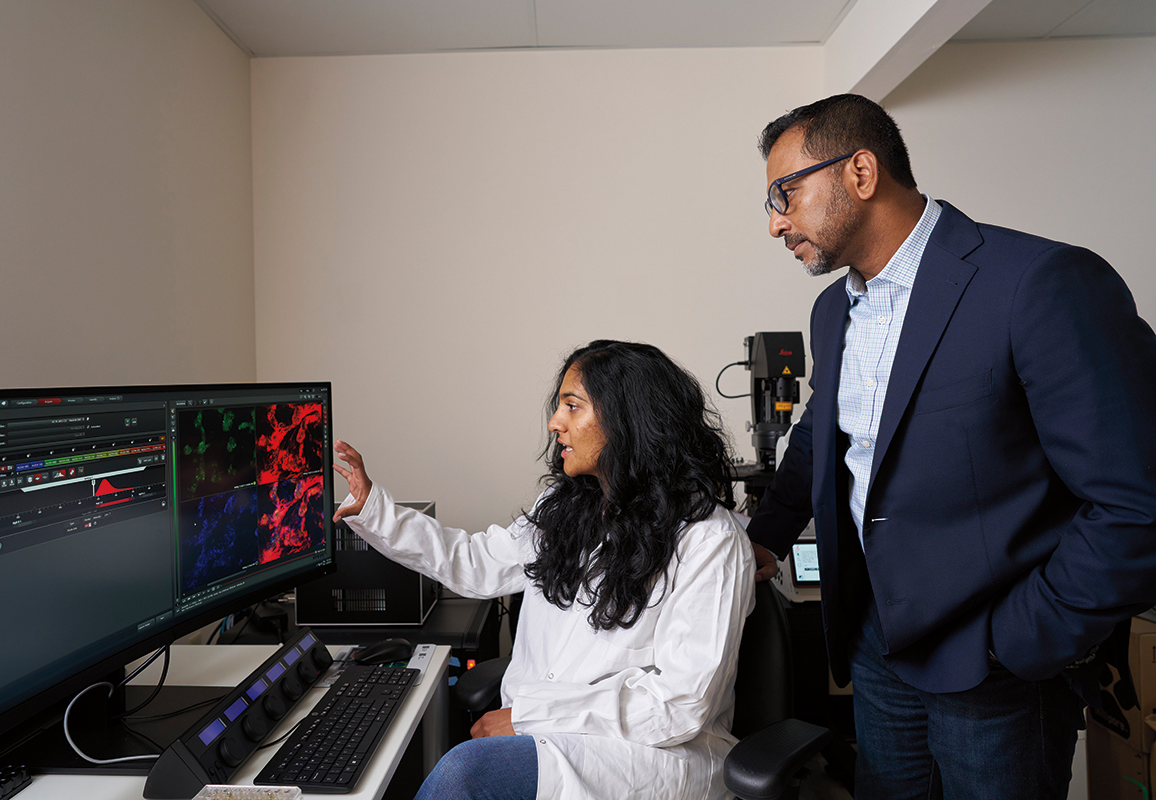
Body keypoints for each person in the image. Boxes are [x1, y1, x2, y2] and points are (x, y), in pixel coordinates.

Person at [745, 93, 1156, 799]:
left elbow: (1137, 503)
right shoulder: (831, 309)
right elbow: (825, 431)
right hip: (877, 644)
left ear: (861, 173)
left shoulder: (1037, 283)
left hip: (995, 661)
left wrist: (1022, 639)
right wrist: (764, 539)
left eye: (787, 193)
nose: (777, 222)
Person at [332, 339, 755, 800]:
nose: (555, 423)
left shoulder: (709, 539)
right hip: (545, 739)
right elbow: (474, 563)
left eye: (572, 407)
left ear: (630, 419)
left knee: (464, 775)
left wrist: (531, 715)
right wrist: (374, 509)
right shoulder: (563, 509)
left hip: (648, 757)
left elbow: (681, 704)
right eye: (559, 407)